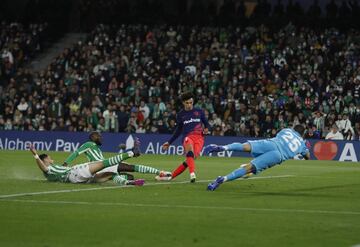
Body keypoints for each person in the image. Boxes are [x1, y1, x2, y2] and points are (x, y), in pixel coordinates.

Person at [204, 125, 310, 191]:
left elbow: (279, 136)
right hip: (277, 155)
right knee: (248, 168)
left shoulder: (287, 130)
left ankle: (222, 147)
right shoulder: (302, 143)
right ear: (302, 133)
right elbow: (307, 156)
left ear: (294, 129)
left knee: (244, 146)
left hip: (271, 143)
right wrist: (304, 150)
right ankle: (222, 179)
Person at [63, 131, 171, 181]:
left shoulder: (95, 147)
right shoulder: (88, 144)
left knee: (130, 176)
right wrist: (65, 163)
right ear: (93, 137)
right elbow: (75, 153)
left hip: (102, 168)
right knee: (132, 167)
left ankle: (118, 176)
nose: (101, 138)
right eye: (99, 136)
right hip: (100, 167)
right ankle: (160, 173)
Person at [29, 142, 144, 186]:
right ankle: (131, 153)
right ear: (45, 160)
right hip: (75, 173)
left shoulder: (52, 172)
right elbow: (43, 168)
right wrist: (36, 155)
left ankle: (129, 182)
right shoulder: (48, 169)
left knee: (110, 174)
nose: (51, 159)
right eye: (49, 158)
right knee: (104, 163)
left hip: (78, 179)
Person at [157, 91, 210, 183]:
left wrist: (206, 129)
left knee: (190, 160)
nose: (189, 105)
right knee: (189, 151)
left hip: (200, 138)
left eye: (191, 102)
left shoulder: (199, 111)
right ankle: (192, 174)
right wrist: (169, 142)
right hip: (187, 137)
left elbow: (207, 124)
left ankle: (170, 177)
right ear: (183, 103)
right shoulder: (181, 114)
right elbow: (178, 130)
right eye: (187, 103)